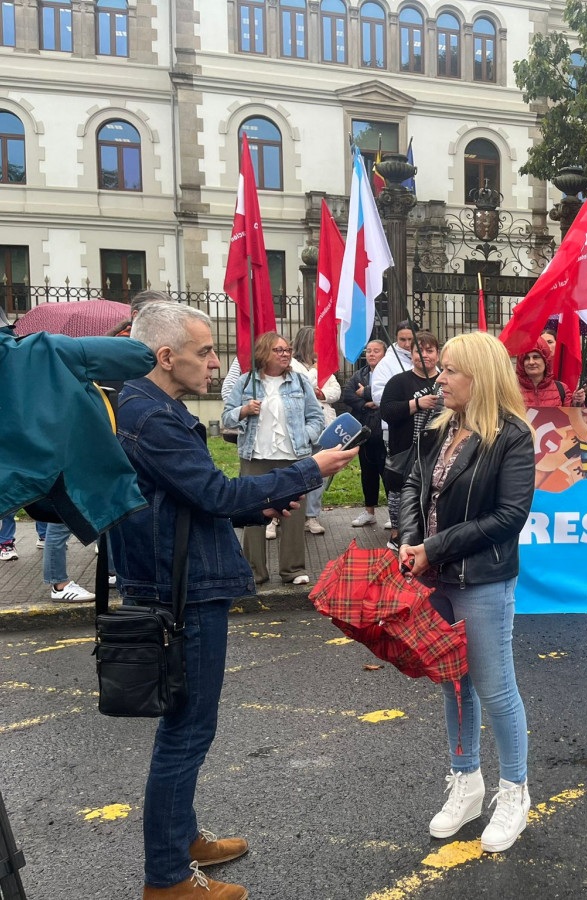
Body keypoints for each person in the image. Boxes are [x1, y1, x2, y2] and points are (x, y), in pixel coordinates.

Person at [114, 300, 355, 899]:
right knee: (187, 730)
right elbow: (212, 490)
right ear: (166, 358)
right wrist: (309, 468)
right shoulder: (152, 416)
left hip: (186, 576)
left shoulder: (150, 407)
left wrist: (259, 502)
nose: (217, 362)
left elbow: (200, 498)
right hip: (184, 588)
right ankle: (167, 878)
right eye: (205, 352)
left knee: (187, 725)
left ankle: (182, 837)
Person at [398, 331, 536, 854]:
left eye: (451, 370)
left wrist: (436, 546)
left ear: (480, 376)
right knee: (453, 684)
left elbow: (508, 517)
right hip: (434, 575)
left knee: (495, 688)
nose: (440, 377)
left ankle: (514, 792)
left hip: (481, 578)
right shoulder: (442, 425)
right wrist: (414, 541)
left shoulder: (513, 435)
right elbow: (413, 483)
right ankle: (466, 781)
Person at [221, 332, 325, 586]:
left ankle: (293, 570)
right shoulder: (247, 382)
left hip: (293, 458)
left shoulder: (299, 382)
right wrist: (244, 410)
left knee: (293, 515)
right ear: (263, 353)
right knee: (253, 514)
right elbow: (226, 417)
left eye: (287, 349)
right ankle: (254, 571)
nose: (285, 354)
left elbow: (316, 418)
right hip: (257, 457)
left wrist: (305, 436)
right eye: (278, 350)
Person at [380, 330, 442, 545]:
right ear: (411, 354)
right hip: (405, 451)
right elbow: (386, 411)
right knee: (400, 492)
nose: (424, 355)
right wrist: (416, 404)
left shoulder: (445, 380)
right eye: (418, 351)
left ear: (438, 353)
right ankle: (397, 534)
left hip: (436, 451)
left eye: (429, 350)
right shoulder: (399, 382)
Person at [290, 326, 341, 536]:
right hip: (299, 425)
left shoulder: (324, 366)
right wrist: (314, 390)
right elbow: (298, 389)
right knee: (296, 470)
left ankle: (312, 516)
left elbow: (335, 391)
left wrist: (321, 394)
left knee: (319, 472)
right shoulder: (292, 366)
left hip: (324, 423)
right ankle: (286, 517)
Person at [343, 339, 390, 528]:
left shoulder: (389, 374)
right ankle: (369, 511)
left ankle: (392, 512)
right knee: (367, 471)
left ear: (384, 354)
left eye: (376, 351)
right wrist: (365, 402)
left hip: (385, 430)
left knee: (387, 472)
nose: (371, 354)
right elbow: (347, 394)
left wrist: (367, 394)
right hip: (364, 431)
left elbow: (390, 396)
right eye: (368, 351)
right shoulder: (359, 375)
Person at [516, 338, 584, 407]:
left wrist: (577, 403)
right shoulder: (511, 389)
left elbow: (572, 415)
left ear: (546, 361)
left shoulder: (561, 389)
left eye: (536, 357)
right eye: (527, 358)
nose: (531, 362)